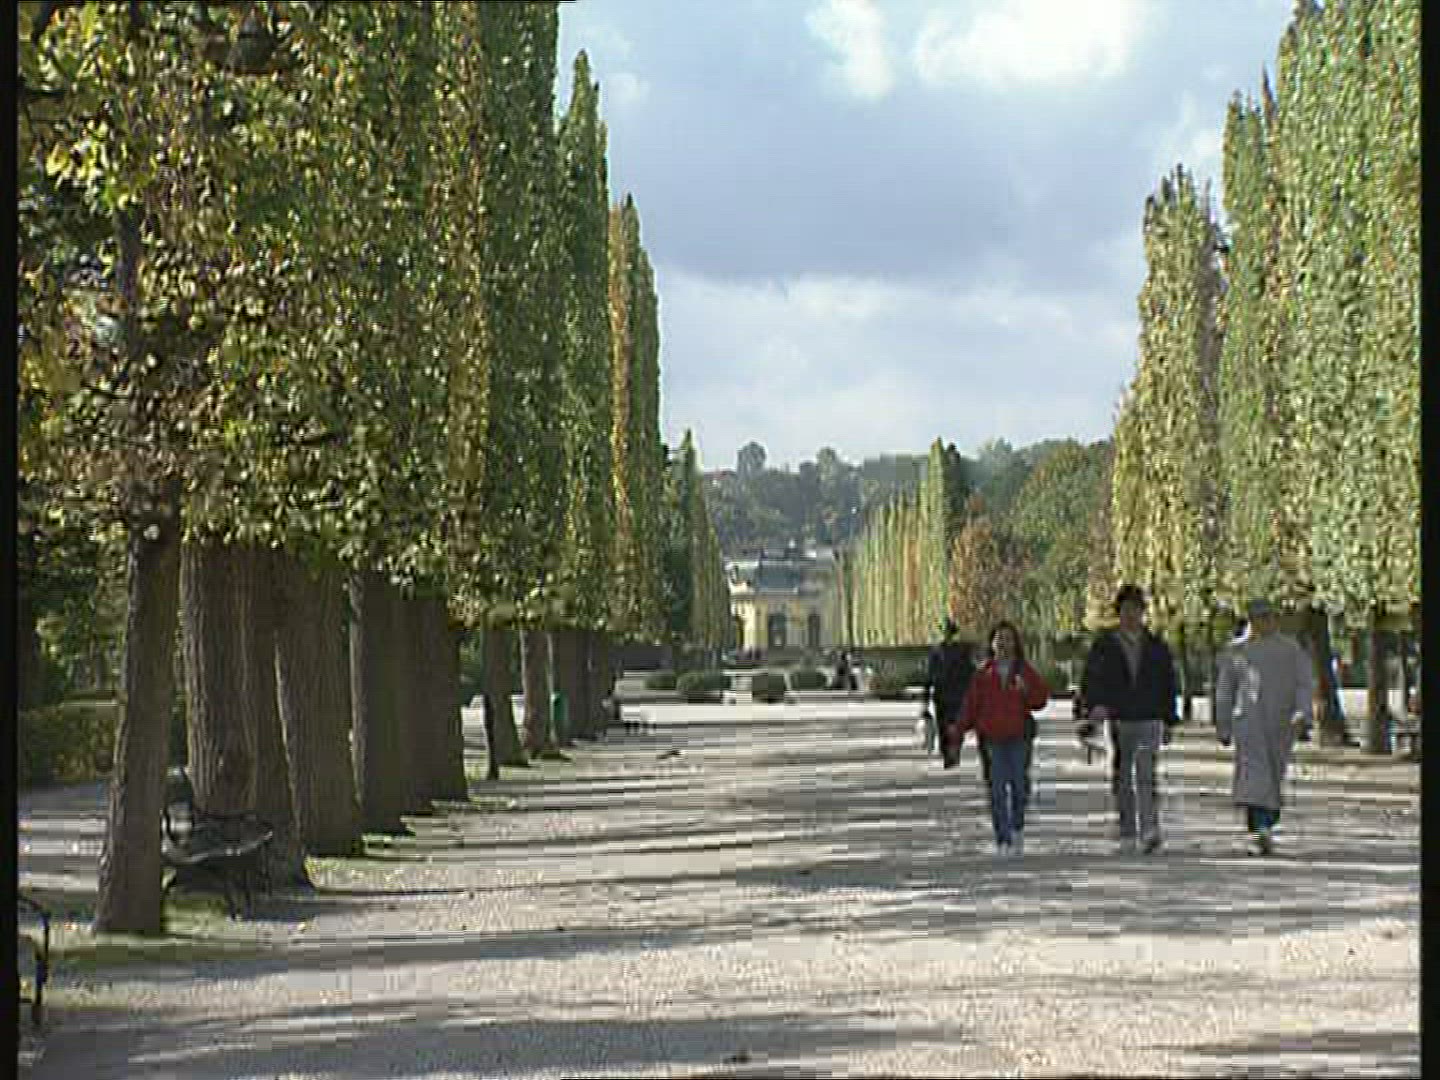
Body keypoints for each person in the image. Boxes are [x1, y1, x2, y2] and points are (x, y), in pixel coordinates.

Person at [1079, 584, 1179, 855]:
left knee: (1146, 774)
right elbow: (1091, 679)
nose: (1131, 615)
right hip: (1119, 717)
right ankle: (1127, 830)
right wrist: (1093, 708)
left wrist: (1170, 719)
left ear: (1143, 612)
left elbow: (1168, 683)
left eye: (1136, 609)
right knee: (1122, 776)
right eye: (1126, 610)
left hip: (1149, 717)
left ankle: (1150, 829)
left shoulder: (1156, 646)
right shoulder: (1105, 645)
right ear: (1118, 612)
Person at [1213, 597, 1313, 856]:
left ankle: (1266, 823)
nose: (1263, 622)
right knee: (1254, 776)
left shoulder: (1290, 650)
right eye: (1258, 618)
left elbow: (1304, 683)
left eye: (1268, 617)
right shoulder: (1237, 650)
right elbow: (1225, 690)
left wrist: (1303, 713)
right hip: (1248, 721)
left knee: (1274, 774)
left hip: (1281, 722)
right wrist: (1223, 723)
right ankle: (1260, 827)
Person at [957, 620, 1050, 856]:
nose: (1003, 644)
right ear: (991, 643)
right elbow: (971, 706)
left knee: (1019, 785)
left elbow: (1040, 701)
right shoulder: (983, 674)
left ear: (1016, 643)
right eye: (999, 639)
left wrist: (1026, 691)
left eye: (1008, 639)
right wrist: (957, 730)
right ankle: (1003, 839)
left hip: (1019, 736)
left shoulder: (1024, 671)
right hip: (991, 738)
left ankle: (1017, 827)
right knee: (997, 788)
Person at [920, 618, 974, 767]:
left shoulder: (962, 651)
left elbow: (970, 673)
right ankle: (947, 754)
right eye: (945, 632)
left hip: (956, 695)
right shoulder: (936, 651)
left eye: (948, 632)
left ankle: (953, 751)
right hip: (942, 695)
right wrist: (925, 699)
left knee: (956, 725)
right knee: (943, 726)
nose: (946, 635)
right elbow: (929, 676)